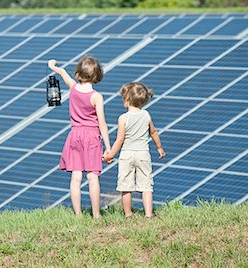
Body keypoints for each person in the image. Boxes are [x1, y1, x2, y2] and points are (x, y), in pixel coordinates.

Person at [48, 56, 111, 219]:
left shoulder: (73, 88)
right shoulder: (96, 97)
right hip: (91, 137)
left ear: (78, 73)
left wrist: (52, 66)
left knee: (76, 177)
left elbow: (62, 73)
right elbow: (102, 124)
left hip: (75, 135)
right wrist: (109, 147)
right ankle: (96, 215)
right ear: (98, 76)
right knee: (92, 176)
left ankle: (78, 215)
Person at [103, 82, 165, 218]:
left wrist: (110, 155)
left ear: (128, 99)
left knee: (126, 187)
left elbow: (120, 140)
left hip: (127, 155)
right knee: (146, 186)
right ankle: (149, 214)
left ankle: (128, 214)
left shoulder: (123, 118)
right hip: (143, 154)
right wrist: (159, 148)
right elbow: (153, 132)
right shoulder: (146, 115)